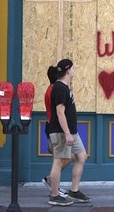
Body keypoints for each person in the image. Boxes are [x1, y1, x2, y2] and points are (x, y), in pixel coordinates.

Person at [47, 59, 90, 206]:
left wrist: (70, 132)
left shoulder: (65, 87)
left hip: (72, 131)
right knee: (58, 161)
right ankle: (54, 195)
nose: (75, 70)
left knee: (81, 156)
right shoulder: (59, 88)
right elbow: (60, 113)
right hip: (61, 132)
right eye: (73, 68)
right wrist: (66, 133)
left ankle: (74, 191)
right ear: (68, 70)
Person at [42, 66, 73, 197]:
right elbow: (59, 112)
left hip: (53, 127)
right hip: (55, 128)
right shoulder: (55, 90)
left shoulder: (52, 89)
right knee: (59, 160)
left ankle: (53, 184)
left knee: (65, 158)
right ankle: (53, 187)